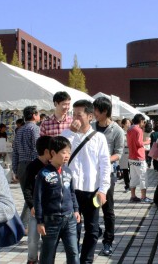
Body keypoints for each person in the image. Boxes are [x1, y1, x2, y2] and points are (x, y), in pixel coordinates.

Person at [61, 100, 111, 264]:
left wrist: (103, 189)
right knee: (72, 229)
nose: (75, 118)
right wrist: (70, 132)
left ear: (90, 116)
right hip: (70, 190)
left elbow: (105, 166)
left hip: (91, 190)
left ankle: (86, 260)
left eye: (79, 114)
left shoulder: (99, 138)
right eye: (73, 114)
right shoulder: (68, 135)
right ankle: (73, 260)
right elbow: (57, 149)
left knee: (92, 229)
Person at [34, 136, 81, 264]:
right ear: (53, 153)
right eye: (64, 152)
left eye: (69, 153)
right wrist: (40, 221)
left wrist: (76, 210)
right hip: (51, 221)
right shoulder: (43, 174)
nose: (67, 156)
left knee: (73, 252)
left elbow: (72, 193)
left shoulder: (68, 172)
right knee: (47, 255)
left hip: (69, 219)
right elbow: (37, 199)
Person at [91, 96, 124, 257]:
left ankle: (108, 242)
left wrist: (104, 159)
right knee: (89, 208)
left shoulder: (116, 130)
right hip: (90, 175)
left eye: (96, 110)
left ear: (104, 111)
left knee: (107, 209)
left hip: (106, 174)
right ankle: (96, 231)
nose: (94, 113)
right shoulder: (91, 127)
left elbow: (119, 153)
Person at [22, 136, 52, 264]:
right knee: (33, 240)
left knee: (49, 241)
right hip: (36, 210)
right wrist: (32, 206)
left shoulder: (54, 166)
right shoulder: (32, 167)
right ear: (46, 151)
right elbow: (27, 189)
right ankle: (32, 259)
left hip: (51, 211)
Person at [12, 105, 40, 230]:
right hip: (32, 164)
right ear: (34, 115)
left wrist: (15, 169)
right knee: (32, 196)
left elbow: (15, 152)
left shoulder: (20, 131)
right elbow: (37, 148)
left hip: (21, 165)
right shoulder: (34, 129)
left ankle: (23, 224)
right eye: (38, 113)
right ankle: (24, 225)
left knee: (27, 195)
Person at [127, 114, 153, 203]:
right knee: (143, 177)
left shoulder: (130, 129)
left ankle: (133, 196)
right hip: (139, 156)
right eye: (143, 122)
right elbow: (139, 143)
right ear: (141, 121)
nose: (144, 124)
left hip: (131, 156)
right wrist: (147, 141)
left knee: (133, 177)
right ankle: (143, 197)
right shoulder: (138, 130)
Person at [119, 118, 131, 193]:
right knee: (125, 170)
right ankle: (127, 185)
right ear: (123, 124)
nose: (128, 124)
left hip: (131, 152)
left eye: (129, 123)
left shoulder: (131, 131)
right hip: (123, 152)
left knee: (132, 169)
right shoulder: (121, 132)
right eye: (127, 123)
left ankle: (131, 185)